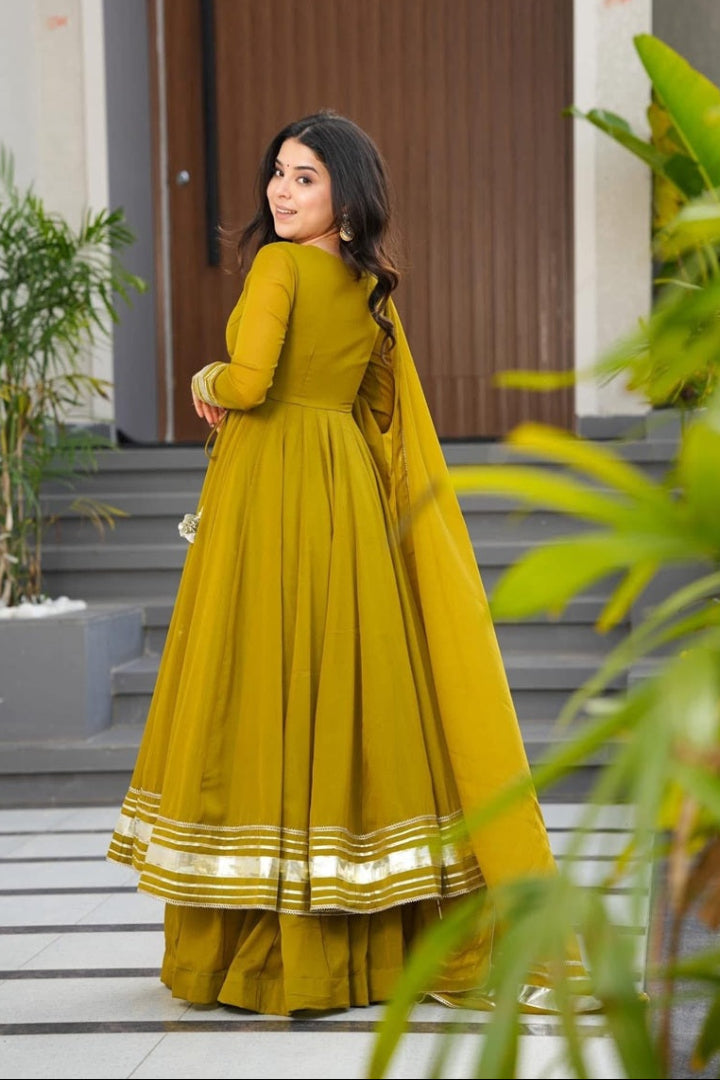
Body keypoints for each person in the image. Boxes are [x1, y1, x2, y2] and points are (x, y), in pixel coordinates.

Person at [107, 110, 592, 1017]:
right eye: (278, 174)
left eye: (304, 179)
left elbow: (249, 386)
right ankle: (367, 943)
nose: (280, 192)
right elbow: (380, 407)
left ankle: (259, 947)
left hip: (270, 496)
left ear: (345, 195)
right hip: (350, 503)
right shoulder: (371, 286)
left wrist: (205, 381)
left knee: (259, 685)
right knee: (340, 688)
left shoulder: (277, 266)